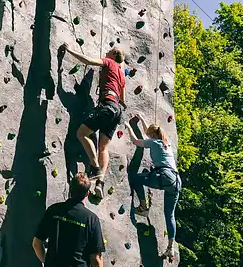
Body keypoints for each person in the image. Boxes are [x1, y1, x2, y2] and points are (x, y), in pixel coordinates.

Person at [60, 43, 126, 199]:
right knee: (103, 147)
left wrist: (70, 50)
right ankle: (100, 183)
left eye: (109, 50)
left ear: (114, 54)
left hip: (107, 105)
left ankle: (96, 169)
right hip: (116, 110)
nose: (107, 51)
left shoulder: (110, 62)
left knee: (82, 133)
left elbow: (88, 61)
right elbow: (123, 100)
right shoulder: (122, 74)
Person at [125, 114, 181, 261]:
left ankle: (143, 206)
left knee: (136, 179)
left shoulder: (154, 142)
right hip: (176, 181)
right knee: (170, 215)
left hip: (164, 176)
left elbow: (136, 141)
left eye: (149, 134)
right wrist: (143, 120)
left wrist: (128, 126)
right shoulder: (165, 141)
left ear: (152, 135)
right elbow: (147, 133)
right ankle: (170, 248)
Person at [32, 173, 105, 267]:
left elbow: (36, 244)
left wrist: (47, 262)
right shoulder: (91, 219)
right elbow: (96, 259)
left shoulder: (53, 210)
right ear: (87, 194)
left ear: (69, 189)